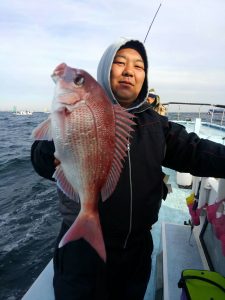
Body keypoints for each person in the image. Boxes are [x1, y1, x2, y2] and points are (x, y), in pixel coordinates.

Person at [31, 37, 225, 300]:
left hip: (136, 252)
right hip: (80, 253)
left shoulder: (157, 126)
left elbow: (195, 149)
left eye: (139, 66)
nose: (129, 71)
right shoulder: (75, 113)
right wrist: (49, 152)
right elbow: (41, 158)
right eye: (119, 62)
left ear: (144, 77)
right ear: (105, 69)